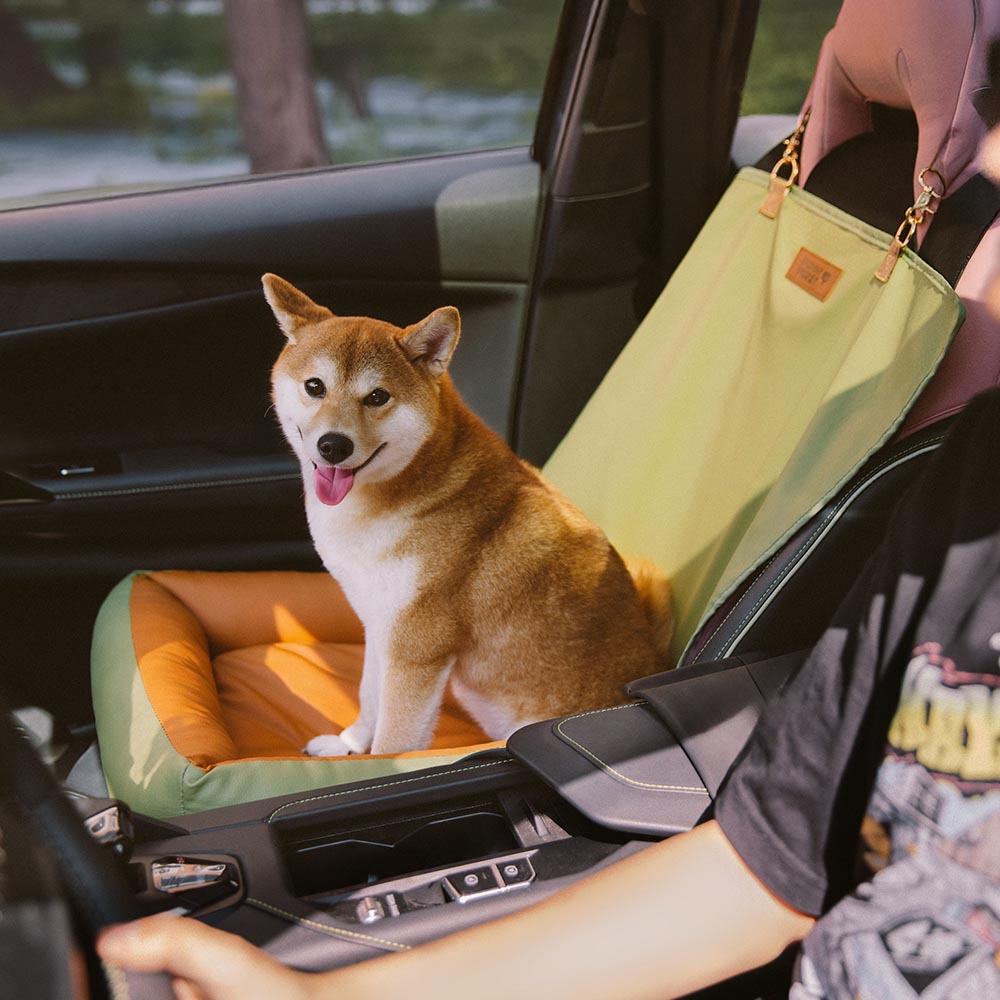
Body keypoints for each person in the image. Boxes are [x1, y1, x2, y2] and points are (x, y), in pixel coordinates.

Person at [97, 105, 1000, 1000]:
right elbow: (762, 868)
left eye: (370, 404)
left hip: (565, 743)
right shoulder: (960, 522)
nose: (333, 429)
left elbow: (419, 643)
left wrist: (373, 763)